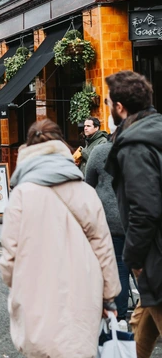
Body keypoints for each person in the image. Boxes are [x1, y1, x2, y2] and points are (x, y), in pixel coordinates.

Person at [0, 119, 120, 358]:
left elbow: (9, 257)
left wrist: (17, 282)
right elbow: (103, 248)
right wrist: (110, 297)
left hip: (35, 292)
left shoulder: (21, 195)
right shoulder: (85, 192)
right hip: (83, 291)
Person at [104, 70, 162, 357]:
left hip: (155, 255)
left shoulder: (135, 145)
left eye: (108, 103)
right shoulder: (155, 130)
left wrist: (134, 258)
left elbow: (145, 209)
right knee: (143, 321)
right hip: (153, 254)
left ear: (120, 107)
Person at [85, 132, 130, 330]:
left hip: (110, 218)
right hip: (139, 216)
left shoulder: (100, 151)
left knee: (117, 264)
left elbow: (88, 183)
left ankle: (118, 315)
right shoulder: (140, 151)